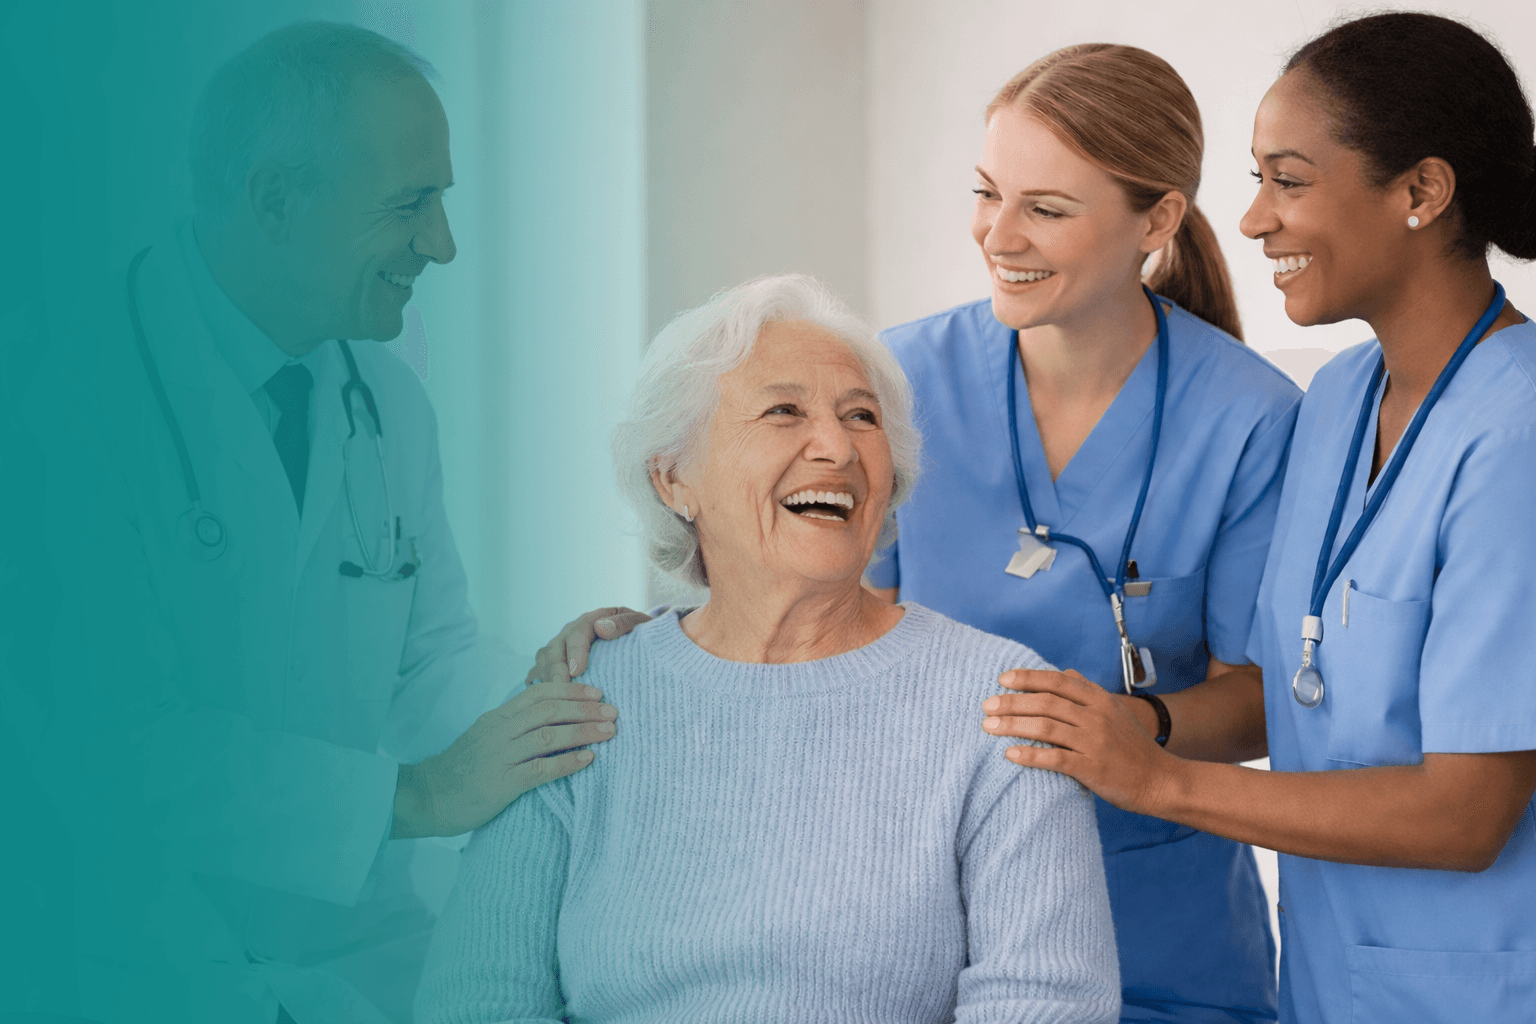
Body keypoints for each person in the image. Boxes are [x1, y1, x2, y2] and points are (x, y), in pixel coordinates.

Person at [534, 45, 1300, 1023]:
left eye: (1047, 209)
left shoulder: (1250, 416)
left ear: (1155, 220)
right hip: (926, 909)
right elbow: (824, 606)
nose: (999, 234)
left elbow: (1265, 698)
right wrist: (656, 639)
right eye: (987, 192)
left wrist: (1135, 729)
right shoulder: (895, 383)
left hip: (1160, 925)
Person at [16, 23, 616, 1024]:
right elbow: (116, 746)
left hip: (357, 959)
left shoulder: (385, 405)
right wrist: (415, 796)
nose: (443, 244)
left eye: (444, 200)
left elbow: (433, 659)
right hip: (130, 960)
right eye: (409, 204)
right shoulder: (59, 413)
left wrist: (563, 702)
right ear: (276, 202)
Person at [982, 13, 1536, 1024]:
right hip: (1326, 984)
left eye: (1288, 180)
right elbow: (1297, 694)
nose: (1250, 221)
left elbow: (1468, 813)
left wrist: (1157, 780)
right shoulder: (1331, 404)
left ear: (1420, 191)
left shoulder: (1519, 433)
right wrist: (1134, 720)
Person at [416, 274, 1121, 1023]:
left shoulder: (1000, 704)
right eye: (784, 411)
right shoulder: (578, 703)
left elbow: (1047, 1001)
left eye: (862, 417)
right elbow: (477, 997)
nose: (837, 447)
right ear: (674, 478)